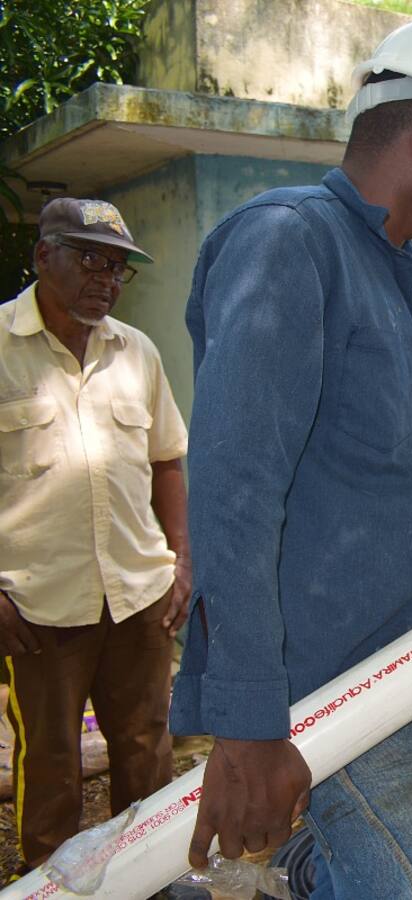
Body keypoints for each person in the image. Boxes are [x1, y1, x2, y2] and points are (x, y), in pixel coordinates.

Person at [168, 19, 412, 899]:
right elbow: (234, 488)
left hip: (408, 673)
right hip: (339, 696)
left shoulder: (392, 269)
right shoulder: (291, 240)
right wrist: (252, 724)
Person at [0, 198, 190, 869]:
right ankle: (48, 883)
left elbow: (168, 459)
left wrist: (181, 561)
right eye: (90, 259)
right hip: (37, 606)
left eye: (117, 267)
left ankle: (150, 877)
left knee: (147, 749)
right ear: (42, 255)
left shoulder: (136, 352)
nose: (106, 278)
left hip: (138, 595)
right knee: (51, 762)